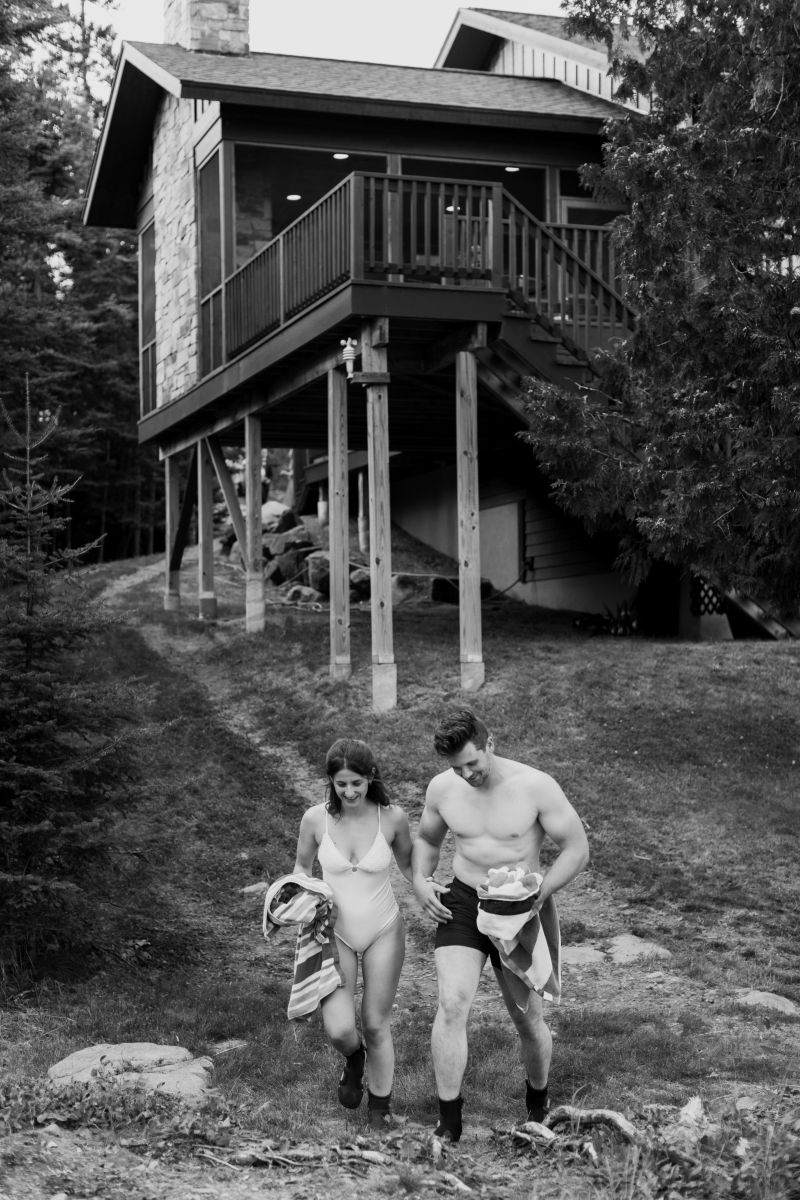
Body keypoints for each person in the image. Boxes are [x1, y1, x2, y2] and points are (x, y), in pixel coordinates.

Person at [412, 707, 589, 1142]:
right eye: (457, 767)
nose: (467, 773)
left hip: (519, 909)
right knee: (452, 1004)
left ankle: (538, 1103)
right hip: (464, 903)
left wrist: (538, 895)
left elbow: (576, 849)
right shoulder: (443, 788)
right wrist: (420, 881)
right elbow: (428, 840)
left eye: (473, 762)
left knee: (527, 1019)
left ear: (490, 744)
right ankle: (448, 1124)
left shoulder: (534, 786)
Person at [294, 737, 413, 1129]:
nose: (348, 791)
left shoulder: (392, 818)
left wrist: (431, 893)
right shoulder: (315, 819)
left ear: (370, 777)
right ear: (330, 781)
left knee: (376, 1022)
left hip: (383, 929)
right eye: (340, 784)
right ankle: (354, 1057)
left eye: (356, 783)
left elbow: (412, 869)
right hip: (334, 932)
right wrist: (296, 895)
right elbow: (301, 868)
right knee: (340, 1028)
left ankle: (380, 1109)